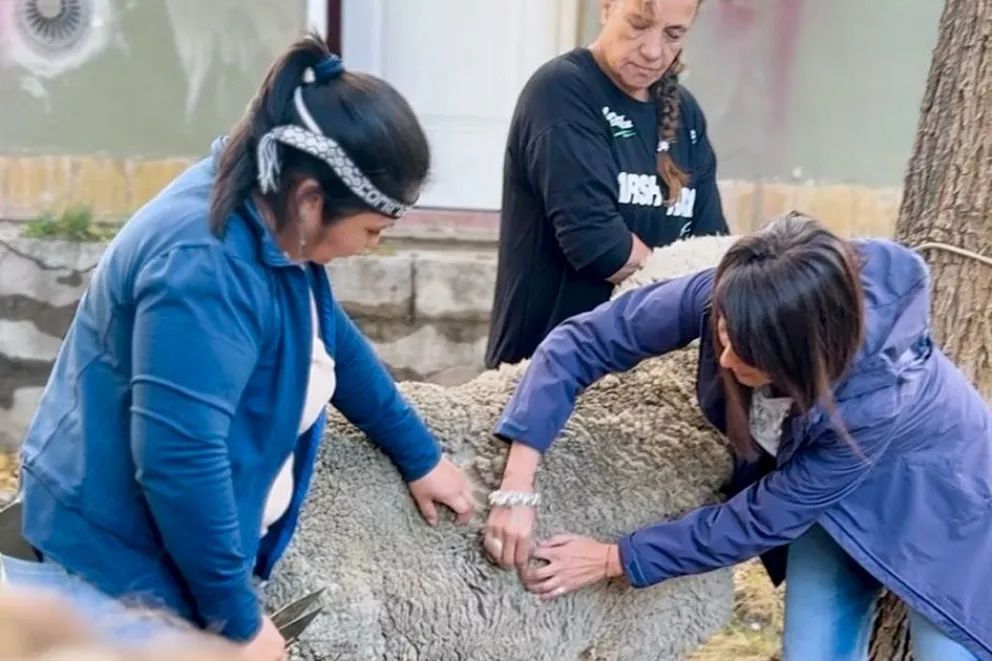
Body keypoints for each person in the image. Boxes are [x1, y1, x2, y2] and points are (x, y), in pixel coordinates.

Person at [6, 34, 475, 659]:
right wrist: (239, 622)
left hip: (156, 555)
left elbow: (328, 332)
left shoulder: (270, 212)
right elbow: (181, 463)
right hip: (110, 569)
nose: (372, 247)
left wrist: (418, 453)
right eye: (371, 230)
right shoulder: (200, 269)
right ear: (311, 200)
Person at [482, 214, 992, 659]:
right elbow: (585, 341)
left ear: (801, 355)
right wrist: (519, 481)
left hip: (944, 502)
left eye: (747, 356)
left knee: (948, 646)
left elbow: (761, 517)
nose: (723, 361)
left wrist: (613, 558)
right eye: (723, 337)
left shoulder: (874, 401)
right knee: (812, 653)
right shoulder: (742, 298)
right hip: (820, 493)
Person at [485, 0, 729, 369]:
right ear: (606, 7)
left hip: (641, 380)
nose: (652, 51)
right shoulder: (561, 91)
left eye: (673, 34)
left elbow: (711, 247)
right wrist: (687, 290)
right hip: (545, 375)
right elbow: (599, 245)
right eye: (637, 24)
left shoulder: (686, 115)